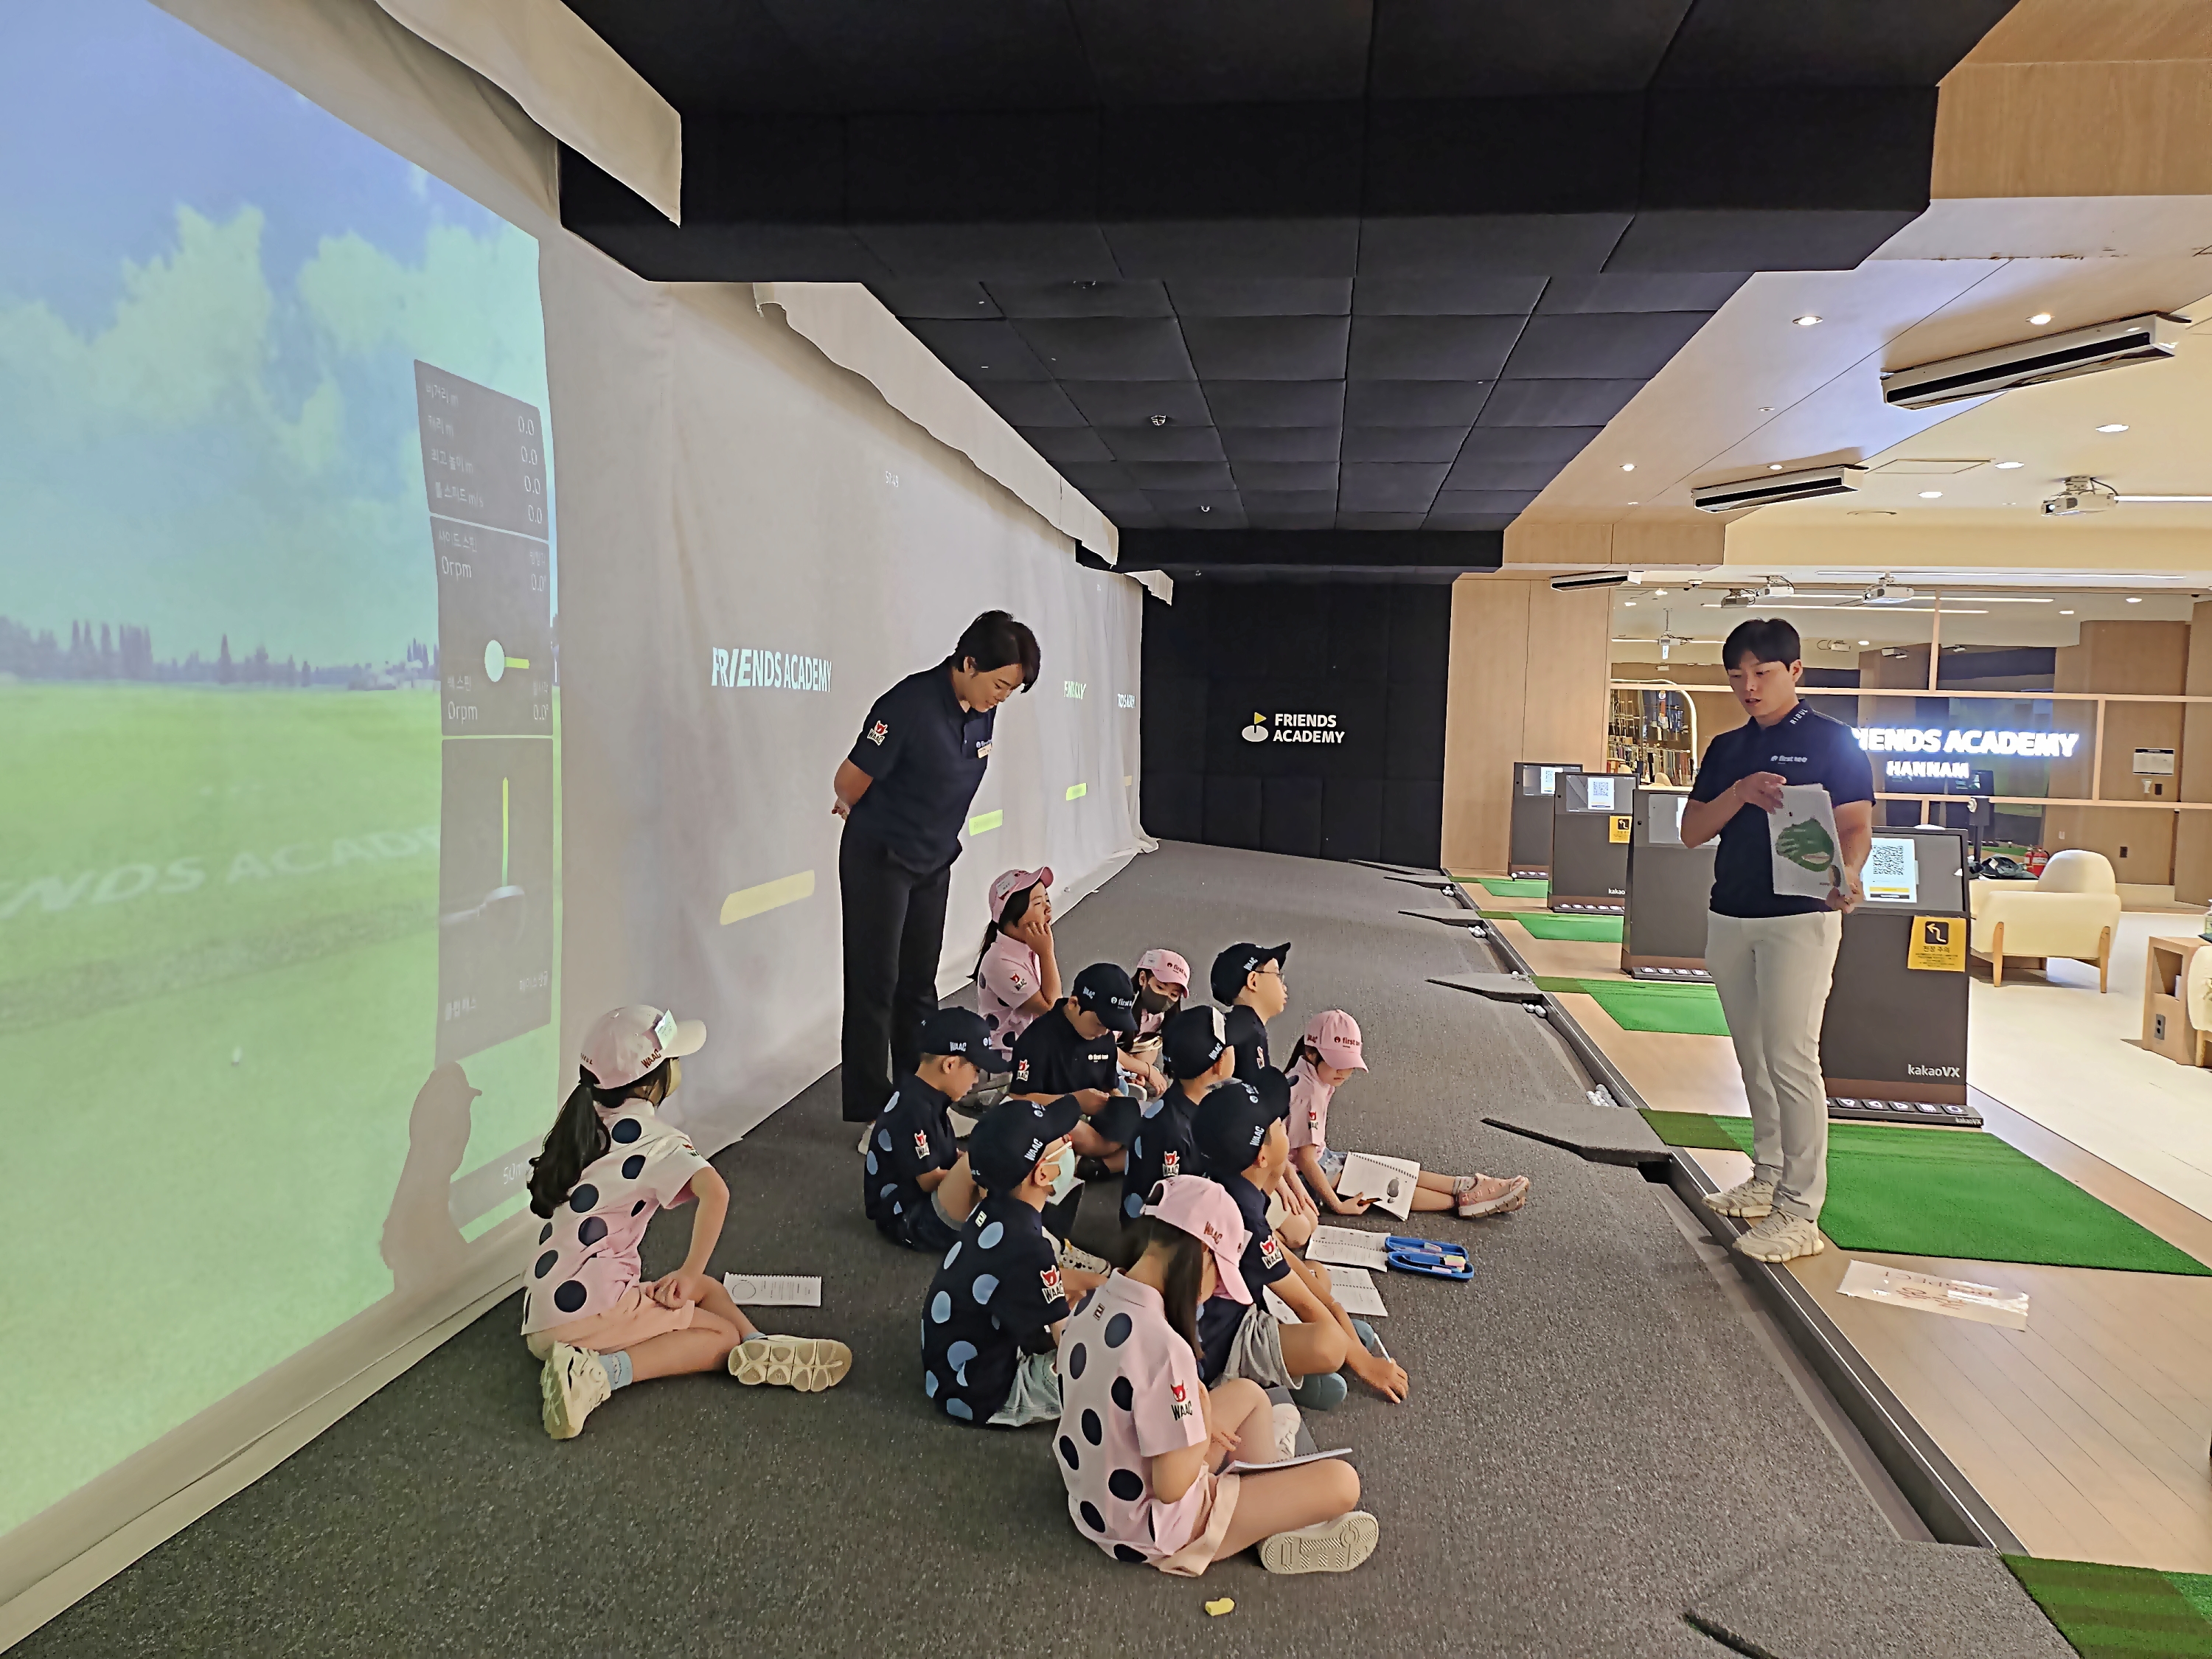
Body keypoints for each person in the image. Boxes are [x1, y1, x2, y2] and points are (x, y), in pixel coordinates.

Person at [525, 1006, 852, 1439]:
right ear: (654, 1080)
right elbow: (717, 1193)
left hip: (544, 1308)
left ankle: (758, 1344)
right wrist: (689, 1269)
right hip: (587, 1317)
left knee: (706, 1289)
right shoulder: (658, 1142)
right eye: (674, 1059)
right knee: (720, 1338)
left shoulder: (584, 1126)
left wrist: (691, 1277)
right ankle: (597, 1375)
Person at [1054, 1175, 1379, 1576]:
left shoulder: (1090, 1302)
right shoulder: (1167, 1349)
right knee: (1343, 1483)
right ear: (1204, 1253)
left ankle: (1264, 1503)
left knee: (1248, 1393)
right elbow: (1172, 1486)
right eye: (1219, 1278)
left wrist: (1197, 1427)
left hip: (1093, 1500)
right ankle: (1267, 1522)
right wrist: (1202, 1431)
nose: (1211, 1293)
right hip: (1154, 1529)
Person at [1680, 616, 1874, 1265]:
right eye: (1737, 675)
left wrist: (1849, 873)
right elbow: (1692, 831)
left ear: (1794, 671)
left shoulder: (1833, 741)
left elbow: (1855, 826)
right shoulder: (1727, 747)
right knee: (1753, 1055)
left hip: (1801, 918)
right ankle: (1767, 1173)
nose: (1749, 687)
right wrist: (1740, 792)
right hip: (1730, 912)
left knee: (1792, 1057)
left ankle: (1800, 1209)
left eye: (1762, 672)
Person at [835, 609, 1040, 1121]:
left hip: (932, 860)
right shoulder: (908, 705)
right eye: (999, 685)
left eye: (1010, 691)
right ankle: (871, 1107)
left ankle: (920, 1094)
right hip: (881, 859)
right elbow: (848, 782)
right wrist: (867, 812)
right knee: (875, 985)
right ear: (968, 663)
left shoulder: (982, 707)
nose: (1002, 698)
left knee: (919, 983)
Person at [1192, 1078, 1410, 1407]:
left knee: (1316, 1275)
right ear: (1262, 1156)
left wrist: (1339, 1315)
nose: (1286, 1131)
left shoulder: (1226, 1185)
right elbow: (1303, 1303)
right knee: (1329, 1344)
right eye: (1280, 1126)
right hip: (1224, 1345)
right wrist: (1365, 1364)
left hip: (1225, 1317)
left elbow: (1284, 1263)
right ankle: (1273, 1377)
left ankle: (1306, 1353)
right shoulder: (1243, 1216)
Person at [920, 1095, 1107, 1426]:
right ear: (1043, 1174)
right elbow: (1068, 1344)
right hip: (983, 1393)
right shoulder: (1030, 1249)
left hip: (948, 1369)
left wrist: (1104, 1284)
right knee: (1104, 1363)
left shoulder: (992, 1211)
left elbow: (1044, 1277)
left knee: (1080, 1300)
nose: (1069, 1141)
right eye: (1061, 1141)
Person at [1284, 1010, 1531, 1220]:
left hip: (1319, 1160)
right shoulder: (1308, 1092)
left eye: (1349, 1064)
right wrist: (1338, 1206)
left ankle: (1465, 1186)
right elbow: (1306, 1161)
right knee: (1387, 1183)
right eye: (1336, 1062)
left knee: (1387, 1169)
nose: (1344, 1072)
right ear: (1311, 1053)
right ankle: (1465, 1199)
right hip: (1304, 1175)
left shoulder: (1310, 1076)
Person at [865, 1006, 993, 1251]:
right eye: (976, 1070)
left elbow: (944, 1153)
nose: (976, 1081)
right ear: (950, 1065)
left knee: (986, 1165)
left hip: (922, 1202)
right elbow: (929, 1181)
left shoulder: (926, 1096)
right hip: (907, 1219)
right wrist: (976, 1174)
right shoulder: (913, 1110)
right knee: (984, 1171)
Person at [1009, 961, 1145, 1162]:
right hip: (1053, 1114)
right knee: (1073, 1130)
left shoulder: (1104, 1036)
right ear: (1074, 1004)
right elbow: (1019, 1098)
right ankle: (1094, 1160)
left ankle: (1097, 1162)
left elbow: (1109, 1086)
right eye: (1099, 1023)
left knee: (1145, 1131)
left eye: (1111, 1026)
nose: (1104, 1033)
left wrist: (1121, 1108)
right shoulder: (1038, 1039)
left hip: (1093, 1114)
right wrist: (1075, 1101)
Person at [1119, 1006, 1232, 1225]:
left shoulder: (1195, 1102)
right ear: (1219, 1064)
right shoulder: (1174, 1131)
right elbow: (1174, 1212)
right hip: (1151, 1235)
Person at [975, 866, 1060, 1065]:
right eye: (1038, 903)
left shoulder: (1030, 946)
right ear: (1011, 917)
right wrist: (1047, 954)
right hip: (1009, 1061)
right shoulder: (999, 962)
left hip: (1035, 1049)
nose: (1048, 908)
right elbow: (1052, 1011)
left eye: (1047, 900)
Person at [1211, 942, 1289, 1082]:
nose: (1284, 987)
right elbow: (1256, 1090)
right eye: (1278, 975)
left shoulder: (1240, 1025)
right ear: (1253, 982)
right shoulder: (1250, 1031)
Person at [1133, 948, 1191, 1037]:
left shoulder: (1159, 1020)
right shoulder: (1117, 1010)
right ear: (1143, 979)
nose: (1165, 997)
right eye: (1160, 987)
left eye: (1174, 994)